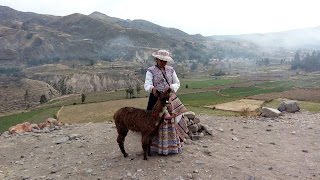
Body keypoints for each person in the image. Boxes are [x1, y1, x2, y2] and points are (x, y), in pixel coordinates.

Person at [144, 49, 188, 155]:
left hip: (168, 97)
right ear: (156, 59)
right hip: (156, 99)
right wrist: (153, 89)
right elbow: (147, 84)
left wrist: (170, 87)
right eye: (162, 60)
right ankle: (155, 146)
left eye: (165, 61)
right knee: (154, 121)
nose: (164, 62)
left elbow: (177, 83)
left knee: (170, 118)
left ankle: (171, 146)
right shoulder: (150, 70)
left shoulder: (171, 70)